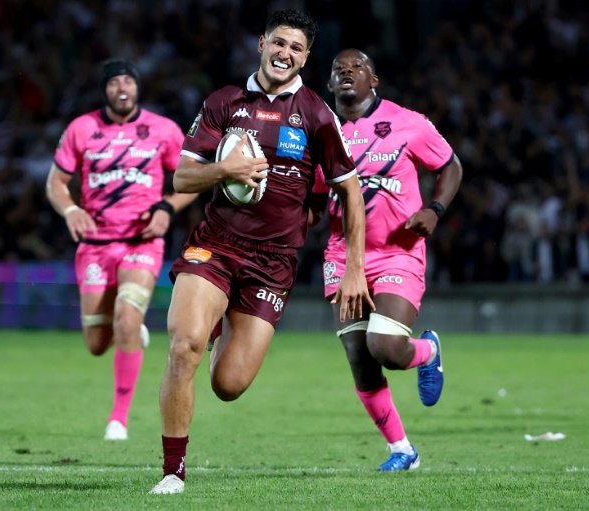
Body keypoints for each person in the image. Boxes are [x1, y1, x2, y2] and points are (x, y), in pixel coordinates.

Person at [149, 10, 374, 495]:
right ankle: (173, 472)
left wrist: (354, 268)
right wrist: (225, 171)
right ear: (261, 44)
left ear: (306, 57)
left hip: (272, 265)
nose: (284, 53)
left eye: (295, 48)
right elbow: (183, 178)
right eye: (278, 43)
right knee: (183, 344)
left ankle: (218, 325)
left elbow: (350, 191)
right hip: (216, 245)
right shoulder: (224, 103)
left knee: (228, 385)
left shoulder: (317, 114)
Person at [313, 48, 463, 471]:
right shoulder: (320, 132)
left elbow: (450, 165)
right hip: (344, 255)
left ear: (373, 80)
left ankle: (427, 353)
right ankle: (402, 450)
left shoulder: (408, 123)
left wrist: (435, 210)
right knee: (360, 358)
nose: (346, 72)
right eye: (338, 69)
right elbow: (313, 199)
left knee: (386, 347)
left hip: (398, 251)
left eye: (356, 67)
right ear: (329, 84)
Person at [45, 59, 197, 441]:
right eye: (114, 82)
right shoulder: (82, 129)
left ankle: (119, 418)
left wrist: (165, 208)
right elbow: (56, 184)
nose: (122, 87)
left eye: (128, 80)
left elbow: (191, 181)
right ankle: (127, 332)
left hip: (140, 242)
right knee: (97, 344)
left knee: (127, 318)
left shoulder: (163, 130)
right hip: (95, 246)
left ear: (137, 87)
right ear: (106, 90)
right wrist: (71, 209)